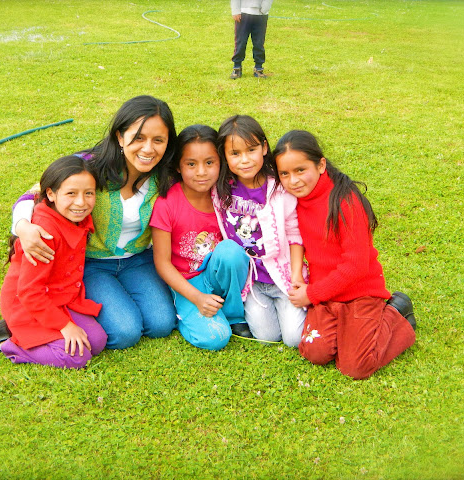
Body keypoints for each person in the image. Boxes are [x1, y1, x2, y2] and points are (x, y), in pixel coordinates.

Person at [0, 96, 178, 350]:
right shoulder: (89, 165)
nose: (148, 149)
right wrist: (23, 227)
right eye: (138, 138)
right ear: (120, 136)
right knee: (125, 332)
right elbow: (33, 194)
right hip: (91, 263)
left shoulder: (167, 175)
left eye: (158, 140)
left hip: (138, 260)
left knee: (161, 324)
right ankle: (27, 323)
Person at [273, 129, 417, 380]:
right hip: (327, 296)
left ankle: (396, 313)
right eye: (284, 174)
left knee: (355, 367)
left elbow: (356, 266)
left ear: (321, 165)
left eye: (300, 170)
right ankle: (352, 333)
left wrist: (312, 294)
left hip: (359, 292)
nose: (293, 180)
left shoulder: (345, 201)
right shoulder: (293, 200)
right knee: (315, 352)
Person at [0, 155, 107, 368]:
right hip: (27, 303)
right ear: (51, 194)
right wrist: (65, 326)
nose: (81, 202)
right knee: (77, 357)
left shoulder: (76, 217)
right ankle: (9, 345)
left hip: (59, 297)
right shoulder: (43, 234)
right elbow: (29, 291)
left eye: (89, 193)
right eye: (71, 193)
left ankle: (45, 332)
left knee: (97, 341)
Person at [150, 125, 250, 350]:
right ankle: (186, 312)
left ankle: (234, 315)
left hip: (217, 272)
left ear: (221, 162)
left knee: (231, 251)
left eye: (209, 162)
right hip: (186, 282)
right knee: (216, 337)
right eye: (191, 164)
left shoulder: (227, 196)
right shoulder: (166, 204)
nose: (201, 172)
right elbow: (162, 263)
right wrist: (196, 298)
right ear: (178, 166)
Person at [213, 115, 307, 346]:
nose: (245, 160)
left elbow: (294, 234)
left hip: (281, 277)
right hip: (252, 282)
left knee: (294, 339)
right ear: (224, 156)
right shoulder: (220, 189)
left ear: (264, 148)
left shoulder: (279, 188)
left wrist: (296, 275)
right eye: (235, 153)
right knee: (267, 337)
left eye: (251, 150)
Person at [230, 0, 273, 79]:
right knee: (240, 42)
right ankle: (237, 67)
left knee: (259, 43)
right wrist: (235, 10)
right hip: (243, 13)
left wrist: (264, 9)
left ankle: (258, 68)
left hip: (261, 15)